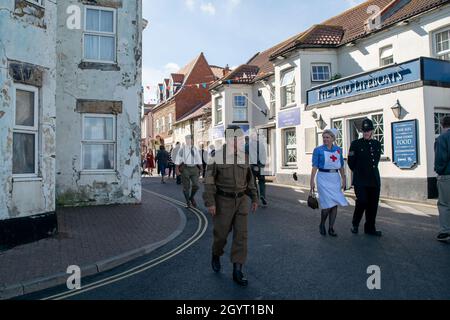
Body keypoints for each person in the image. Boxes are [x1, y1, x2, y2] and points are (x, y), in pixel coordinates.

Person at [203, 125, 258, 287]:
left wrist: (254, 198)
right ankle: (216, 253)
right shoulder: (216, 156)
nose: (242, 141)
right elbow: (209, 181)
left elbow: (250, 180)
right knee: (221, 235)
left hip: (241, 201)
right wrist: (210, 203)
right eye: (239, 138)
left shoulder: (245, 157)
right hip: (223, 201)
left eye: (242, 138)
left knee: (241, 235)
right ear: (230, 139)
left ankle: (237, 270)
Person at [310, 129, 348, 237]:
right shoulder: (318, 150)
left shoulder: (338, 150)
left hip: (335, 179)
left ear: (333, 138)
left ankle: (331, 228)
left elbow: (340, 166)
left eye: (327, 137)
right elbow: (315, 166)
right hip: (323, 178)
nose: (325, 139)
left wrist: (344, 179)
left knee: (334, 204)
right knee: (326, 205)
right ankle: (322, 224)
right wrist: (311, 181)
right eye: (324, 137)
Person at [348, 118, 383, 237]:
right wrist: (358, 172)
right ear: (362, 131)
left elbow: (376, 161)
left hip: (374, 180)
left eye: (368, 130)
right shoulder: (355, 144)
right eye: (364, 131)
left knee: (373, 205)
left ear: (372, 131)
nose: (366, 133)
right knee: (362, 201)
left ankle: (370, 228)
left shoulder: (377, 144)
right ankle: (355, 224)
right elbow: (351, 162)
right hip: (360, 180)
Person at [434, 115, 450, 242]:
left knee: (444, 204)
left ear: (442, 125)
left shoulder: (442, 138)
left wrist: (439, 170)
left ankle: (445, 232)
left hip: (446, 176)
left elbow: (441, 159)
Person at [176, 135, 202, 208]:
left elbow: (198, 158)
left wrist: (201, 168)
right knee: (186, 188)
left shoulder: (195, 149)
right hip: (185, 168)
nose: (189, 141)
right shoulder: (182, 149)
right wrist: (177, 169)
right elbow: (178, 159)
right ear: (186, 140)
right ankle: (188, 202)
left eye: (190, 140)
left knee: (196, 185)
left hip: (194, 168)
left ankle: (191, 197)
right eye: (187, 139)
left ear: (192, 140)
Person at [246, 131, 268, 207]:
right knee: (262, 182)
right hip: (260, 166)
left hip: (252, 166)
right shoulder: (261, 145)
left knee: (253, 183)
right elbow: (264, 156)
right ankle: (263, 196)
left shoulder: (247, 146)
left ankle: (256, 199)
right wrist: (262, 165)